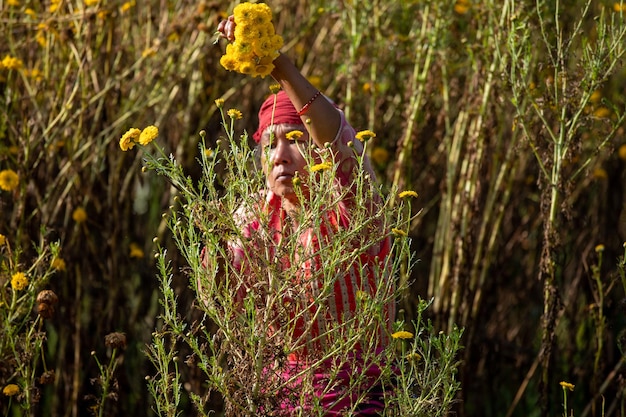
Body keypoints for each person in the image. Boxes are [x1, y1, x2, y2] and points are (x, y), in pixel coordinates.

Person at [213, 14, 396, 416]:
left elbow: (337, 136)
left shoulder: (353, 210)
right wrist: (214, 244)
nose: (280, 156)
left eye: (294, 140)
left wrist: (280, 67)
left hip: (356, 398)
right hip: (273, 398)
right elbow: (225, 304)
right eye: (270, 144)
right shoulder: (256, 218)